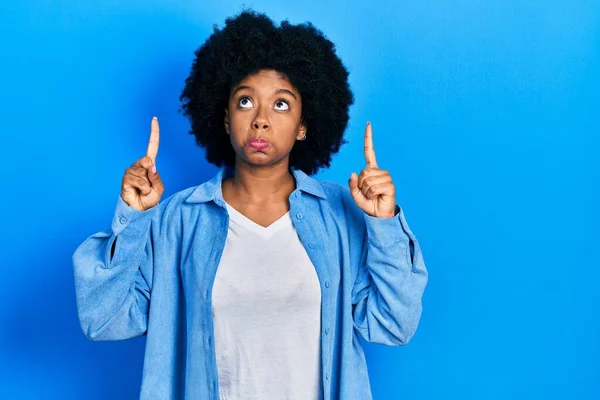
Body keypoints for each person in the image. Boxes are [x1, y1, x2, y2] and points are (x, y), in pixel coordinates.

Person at [72, 9, 428, 400]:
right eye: (245, 102)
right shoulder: (177, 220)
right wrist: (134, 218)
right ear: (225, 119)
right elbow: (102, 319)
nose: (260, 120)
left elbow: (395, 325)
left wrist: (383, 225)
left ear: (304, 125)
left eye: (281, 105)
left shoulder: (342, 215)